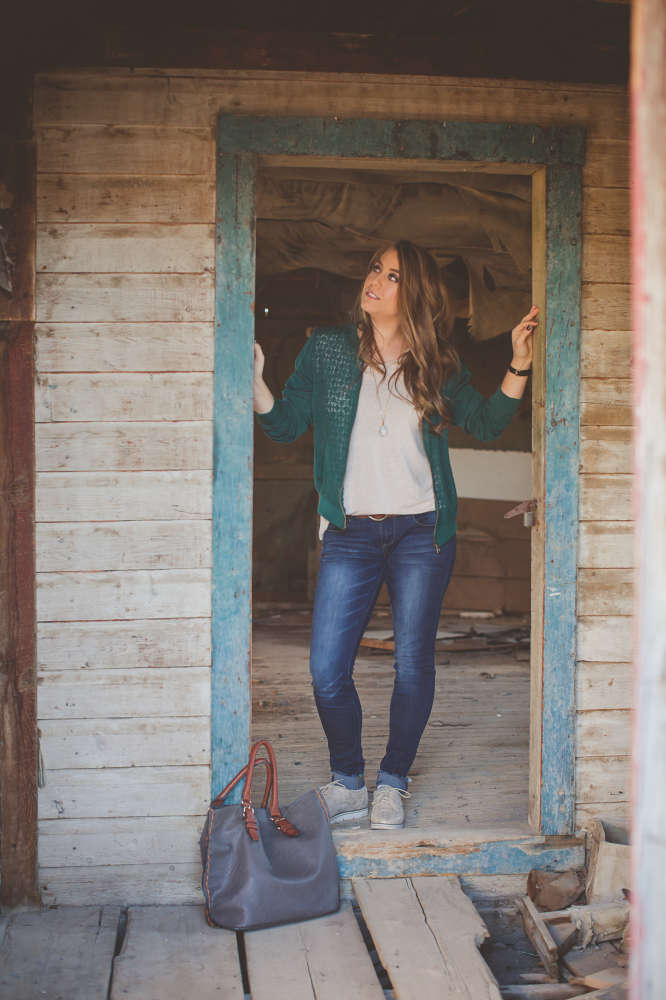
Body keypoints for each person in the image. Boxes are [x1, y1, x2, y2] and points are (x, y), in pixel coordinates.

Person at [253, 239, 537, 830]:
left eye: (392, 275)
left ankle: (392, 781)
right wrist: (256, 384)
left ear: (417, 294)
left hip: (421, 533)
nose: (375, 281)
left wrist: (518, 363)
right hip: (350, 531)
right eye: (373, 270)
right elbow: (284, 427)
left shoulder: (437, 362)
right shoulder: (328, 350)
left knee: (413, 664)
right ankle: (348, 781)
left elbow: (485, 422)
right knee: (327, 669)